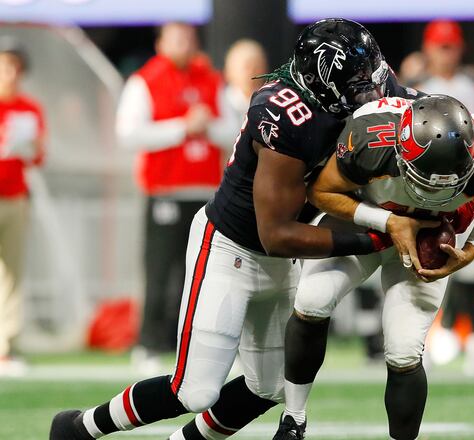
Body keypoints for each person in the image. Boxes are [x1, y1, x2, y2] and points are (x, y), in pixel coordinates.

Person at [50, 18, 420, 440]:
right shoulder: (285, 114)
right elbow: (275, 235)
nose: (373, 93)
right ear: (325, 84)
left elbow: (414, 105)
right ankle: (80, 428)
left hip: (283, 260)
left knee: (272, 386)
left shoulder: (365, 85)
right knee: (194, 391)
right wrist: (379, 236)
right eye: (358, 85)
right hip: (231, 250)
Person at [277, 95, 474, 440]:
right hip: (367, 218)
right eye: (425, 178)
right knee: (312, 299)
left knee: (404, 348)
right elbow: (321, 191)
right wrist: (387, 221)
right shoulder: (369, 136)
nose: (433, 190)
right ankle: (293, 419)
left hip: (433, 235)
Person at [115, 22, 238, 372]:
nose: (185, 44)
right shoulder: (145, 80)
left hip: (205, 190)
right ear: (160, 44)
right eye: (177, 39)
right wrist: (181, 127)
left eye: (190, 38)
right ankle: (149, 344)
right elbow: (128, 134)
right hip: (165, 190)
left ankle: (194, 343)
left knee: (202, 272)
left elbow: (232, 129)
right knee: (160, 269)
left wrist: (205, 126)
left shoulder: (209, 79)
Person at [0, 38, 45, 376]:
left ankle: (6, 346)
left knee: (12, 274)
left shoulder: (29, 108)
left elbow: (39, 156)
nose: (10, 73)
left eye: (15, 66)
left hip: (14, 195)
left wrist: (28, 147)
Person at [417, 19, 474, 117]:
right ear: (426, 48)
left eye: (450, 47)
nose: (446, 54)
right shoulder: (415, 89)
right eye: (442, 47)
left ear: (461, 47)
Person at [223, 38, 268, 120]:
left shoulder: (272, 104)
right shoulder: (216, 104)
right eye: (247, 66)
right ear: (229, 71)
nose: (252, 71)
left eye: (257, 65)